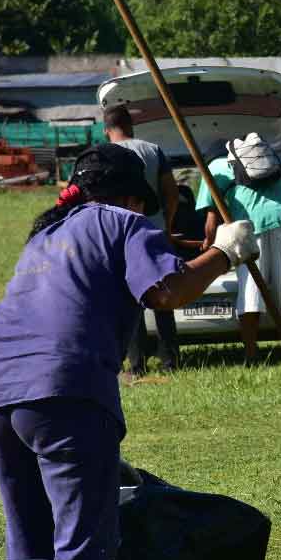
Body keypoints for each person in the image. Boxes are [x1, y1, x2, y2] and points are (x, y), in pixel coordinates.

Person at [0, 144, 257, 560]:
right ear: (131, 198)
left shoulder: (46, 234)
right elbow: (167, 291)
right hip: (64, 388)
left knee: (28, 548)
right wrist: (226, 252)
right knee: (82, 550)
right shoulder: (125, 222)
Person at [196, 134, 281, 362]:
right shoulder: (262, 158)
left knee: (250, 295)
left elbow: (211, 222)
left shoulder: (213, 168)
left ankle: (251, 356)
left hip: (251, 227)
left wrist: (209, 244)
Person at [103, 104, 184, 377]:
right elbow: (172, 193)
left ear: (106, 130)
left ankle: (136, 364)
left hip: (120, 234)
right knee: (163, 293)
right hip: (153, 229)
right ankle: (171, 360)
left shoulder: (104, 154)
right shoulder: (153, 150)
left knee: (130, 297)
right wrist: (167, 225)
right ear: (131, 125)